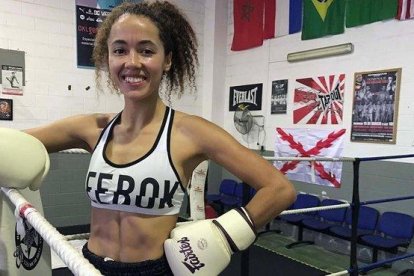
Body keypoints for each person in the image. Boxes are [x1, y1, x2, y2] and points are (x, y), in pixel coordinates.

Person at [2, 1, 296, 275]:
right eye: (119, 50)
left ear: (167, 59)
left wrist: (224, 236)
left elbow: (279, 189)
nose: (132, 62)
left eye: (146, 50)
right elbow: (10, 145)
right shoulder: (91, 128)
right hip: (89, 265)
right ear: (107, 58)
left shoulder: (191, 132)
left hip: (154, 270)